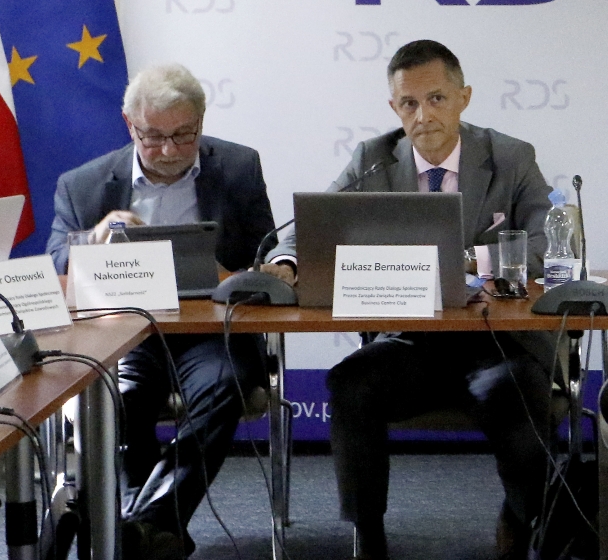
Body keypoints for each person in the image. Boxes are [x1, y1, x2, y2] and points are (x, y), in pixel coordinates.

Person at [264, 39, 555, 560]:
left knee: (517, 391)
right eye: (409, 103)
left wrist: (469, 261)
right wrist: (286, 262)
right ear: (394, 108)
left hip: (497, 342)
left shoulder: (511, 157)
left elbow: (546, 242)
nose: (423, 116)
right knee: (351, 383)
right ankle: (368, 536)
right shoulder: (373, 159)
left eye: (437, 99)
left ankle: (522, 517)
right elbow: (310, 226)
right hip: (413, 344)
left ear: (464, 97)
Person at [48, 64, 275, 560]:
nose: (169, 150)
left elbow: (267, 255)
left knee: (225, 386)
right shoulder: (84, 185)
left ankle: (142, 523)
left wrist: (235, 274)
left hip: (213, 334)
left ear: (201, 122)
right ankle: (153, 527)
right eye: (154, 137)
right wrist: (92, 240)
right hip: (126, 333)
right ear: (130, 125)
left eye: (183, 135)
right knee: (121, 398)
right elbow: (56, 266)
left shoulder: (238, 167)